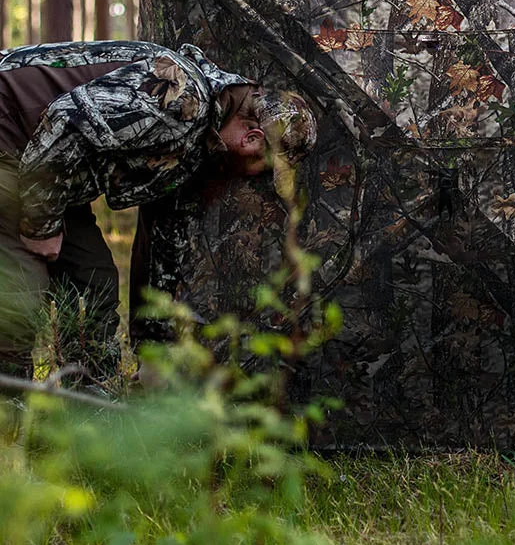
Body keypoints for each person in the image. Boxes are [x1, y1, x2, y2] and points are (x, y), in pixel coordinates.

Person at [0, 40, 317, 373]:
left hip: (48, 169)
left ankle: (89, 410)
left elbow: (162, 242)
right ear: (251, 139)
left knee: (94, 281)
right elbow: (65, 121)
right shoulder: (182, 98)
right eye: (265, 168)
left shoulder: (201, 140)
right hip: (13, 136)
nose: (257, 178)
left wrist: (153, 351)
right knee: (21, 289)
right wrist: (41, 226)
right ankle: (10, 409)